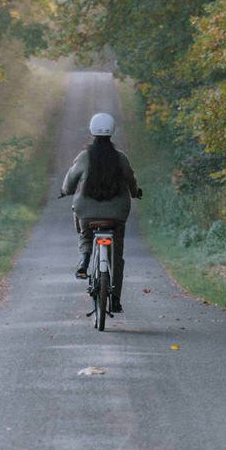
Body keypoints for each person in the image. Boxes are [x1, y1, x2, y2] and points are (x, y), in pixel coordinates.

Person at [58, 111, 143, 312]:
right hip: (116, 215)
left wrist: (65, 191)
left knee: (83, 227)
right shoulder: (121, 158)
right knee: (117, 254)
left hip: (87, 214)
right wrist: (135, 192)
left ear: (92, 131)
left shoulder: (84, 157)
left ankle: (85, 256)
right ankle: (115, 300)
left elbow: (70, 181)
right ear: (112, 132)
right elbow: (131, 180)